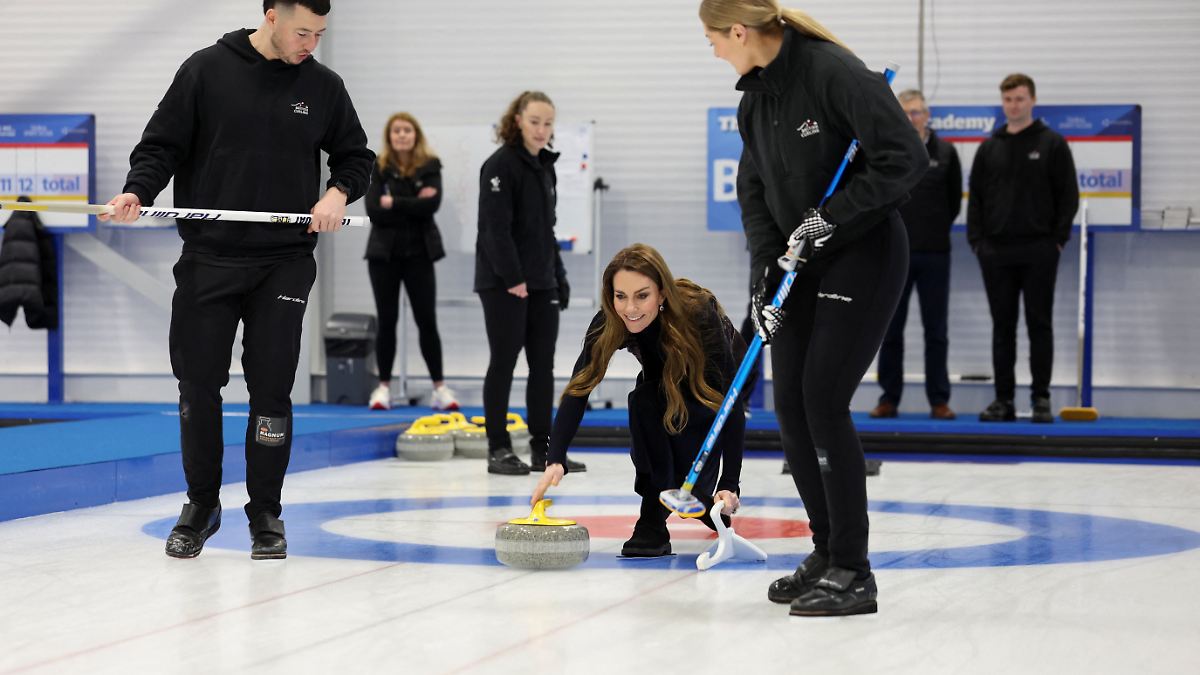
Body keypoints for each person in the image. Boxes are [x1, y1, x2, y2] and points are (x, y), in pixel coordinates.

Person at [102, 0, 373, 560]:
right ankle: (201, 504)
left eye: (320, 34)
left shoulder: (322, 85)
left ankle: (265, 511)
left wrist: (336, 193)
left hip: (284, 261)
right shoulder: (206, 68)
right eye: (303, 31)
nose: (311, 44)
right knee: (198, 386)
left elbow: (355, 156)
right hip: (210, 256)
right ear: (271, 16)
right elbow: (162, 146)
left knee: (271, 389)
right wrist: (138, 191)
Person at [701, 0, 925, 616]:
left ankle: (855, 569)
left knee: (823, 397)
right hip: (797, 263)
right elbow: (755, 194)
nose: (713, 50)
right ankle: (826, 552)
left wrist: (833, 218)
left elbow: (906, 160)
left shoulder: (834, 73)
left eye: (713, 38)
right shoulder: (754, 102)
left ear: (740, 31)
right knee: (793, 406)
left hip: (862, 250)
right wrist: (764, 275)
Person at [531, 243, 745, 556]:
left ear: (661, 294)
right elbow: (579, 389)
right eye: (621, 296)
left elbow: (729, 404)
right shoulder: (610, 321)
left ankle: (696, 501)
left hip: (712, 380)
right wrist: (556, 459)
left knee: (684, 416)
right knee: (644, 402)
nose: (630, 308)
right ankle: (654, 521)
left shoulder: (697, 313)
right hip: (662, 376)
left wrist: (729, 483)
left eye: (642, 295)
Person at [474, 91, 585, 476]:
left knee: (543, 367)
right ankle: (498, 448)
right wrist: (514, 278)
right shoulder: (500, 166)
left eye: (548, 123)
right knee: (503, 363)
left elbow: (546, 230)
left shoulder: (545, 166)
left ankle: (545, 450)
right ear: (518, 119)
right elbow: (493, 230)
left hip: (541, 282)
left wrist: (558, 275)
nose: (541, 130)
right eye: (535, 121)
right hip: (504, 283)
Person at [968, 73, 1078, 424]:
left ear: (1032, 100)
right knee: (1003, 328)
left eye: (1019, 99)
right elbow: (977, 200)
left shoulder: (1052, 143)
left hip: (1039, 250)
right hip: (996, 253)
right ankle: (1004, 400)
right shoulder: (989, 147)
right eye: (1007, 100)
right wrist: (978, 242)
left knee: (1038, 325)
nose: (1013, 105)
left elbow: (1068, 196)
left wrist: (1057, 240)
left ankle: (1041, 398)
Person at [871, 89, 962, 421]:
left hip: (936, 254)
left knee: (936, 330)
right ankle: (888, 399)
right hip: (895, 257)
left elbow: (953, 204)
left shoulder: (947, 153)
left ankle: (939, 400)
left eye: (918, 112)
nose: (913, 118)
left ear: (928, 115)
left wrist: (933, 231)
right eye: (907, 112)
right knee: (890, 329)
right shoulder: (887, 153)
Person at [363, 112, 458, 412]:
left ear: (415, 134)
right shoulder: (378, 166)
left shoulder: (430, 166)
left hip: (419, 253)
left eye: (407, 130)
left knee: (426, 320)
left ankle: (439, 389)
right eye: (396, 131)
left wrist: (395, 202)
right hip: (384, 255)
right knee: (387, 321)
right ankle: (383, 389)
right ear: (389, 136)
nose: (402, 135)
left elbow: (432, 205)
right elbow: (375, 210)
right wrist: (414, 201)